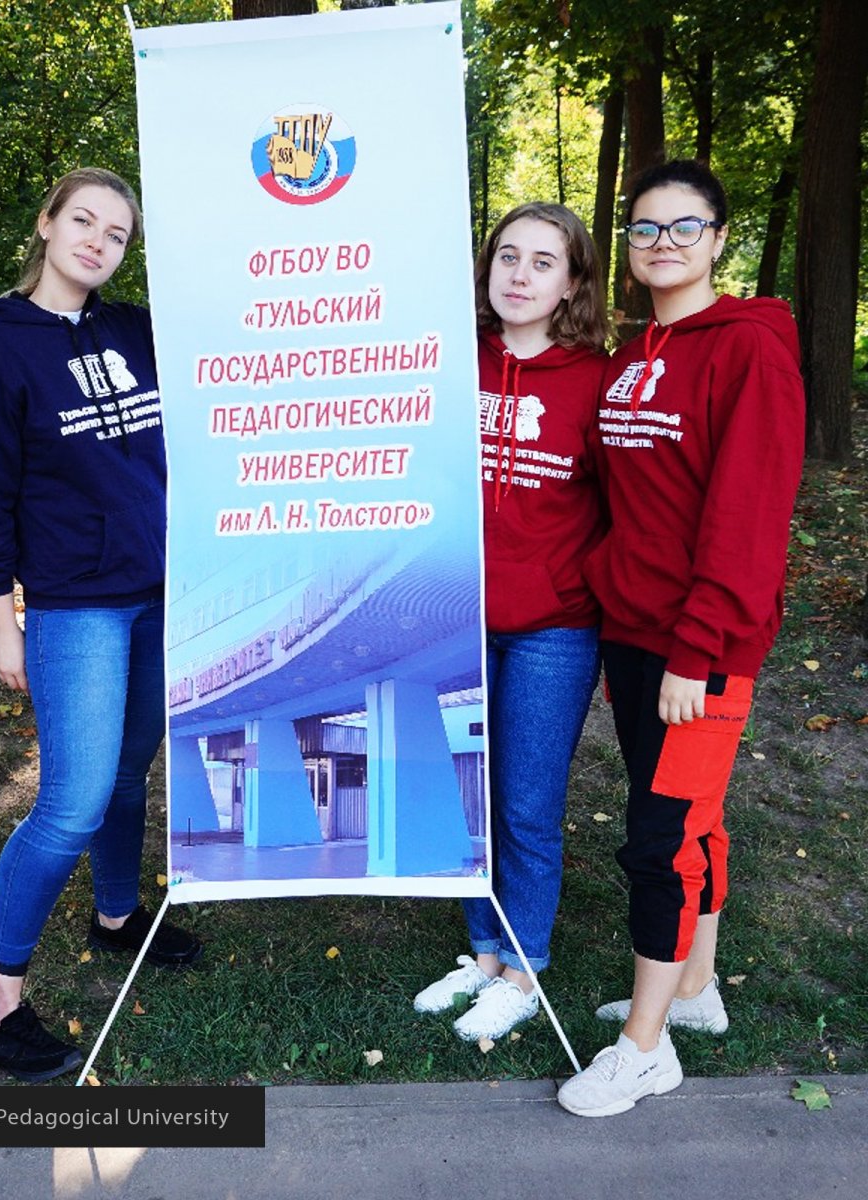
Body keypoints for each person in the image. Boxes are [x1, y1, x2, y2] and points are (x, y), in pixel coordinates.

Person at [557, 160, 805, 1117]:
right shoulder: (631, 355)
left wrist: (697, 649)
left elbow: (747, 515)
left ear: (719, 239)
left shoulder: (748, 348)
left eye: (683, 227)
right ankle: (694, 991)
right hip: (635, 630)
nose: (663, 243)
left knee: (662, 841)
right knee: (689, 820)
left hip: (701, 644)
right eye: (645, 228)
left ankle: (644, 1047)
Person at [0, 167, 201, 1084]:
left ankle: (116, 915)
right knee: (73, 800)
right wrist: (0, 620)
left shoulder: (134, 329)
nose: (99, 241)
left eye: (118, 233)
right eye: (84, 221)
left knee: (133, 770)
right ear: (47, 222)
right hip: (74, 605)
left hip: (159, 593)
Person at [413, 203, 608, 1040]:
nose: (520, 275)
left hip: (553, 626)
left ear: (571, 282)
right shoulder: (450, 361)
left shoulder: (598, 379)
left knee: (526, 803)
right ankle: (484, 953)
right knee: (465, 795)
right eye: (508, 257)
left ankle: (525, 969)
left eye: (542, 262)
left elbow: (627, 501)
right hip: (455, 617)